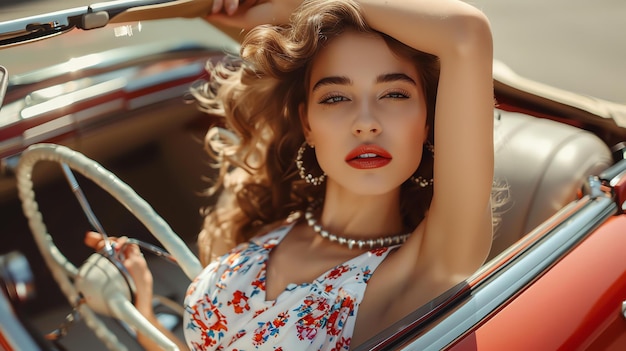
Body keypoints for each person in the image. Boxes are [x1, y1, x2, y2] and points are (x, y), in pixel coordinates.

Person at [86, 0, 495, 349]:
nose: (366, 123)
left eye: (394, 94)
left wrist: (296, 4)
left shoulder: (422, 270)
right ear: (308, 124)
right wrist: (138, 302)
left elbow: (466, 33)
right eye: (336, 97)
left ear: (428, 122)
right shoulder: (267, 225)